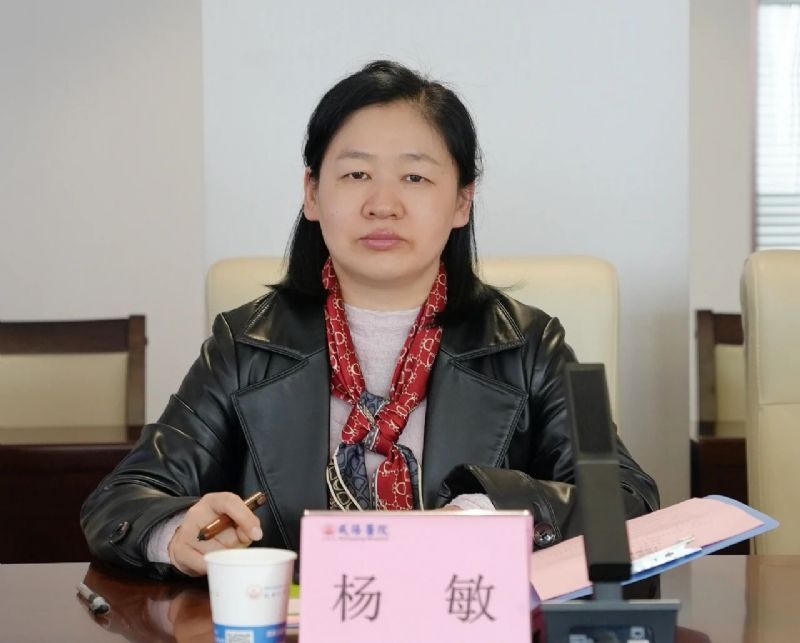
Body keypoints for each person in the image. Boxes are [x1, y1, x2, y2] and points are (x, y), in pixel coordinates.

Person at [81, 60, 658, 579]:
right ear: (312, 193)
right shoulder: (245, 345)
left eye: (415, 177)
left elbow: (627, 501)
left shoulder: (528, 345)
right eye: (356, 174)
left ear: (462, 201)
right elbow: (123, 499)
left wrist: (486, 513)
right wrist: (176, 530)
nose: (383, 204)